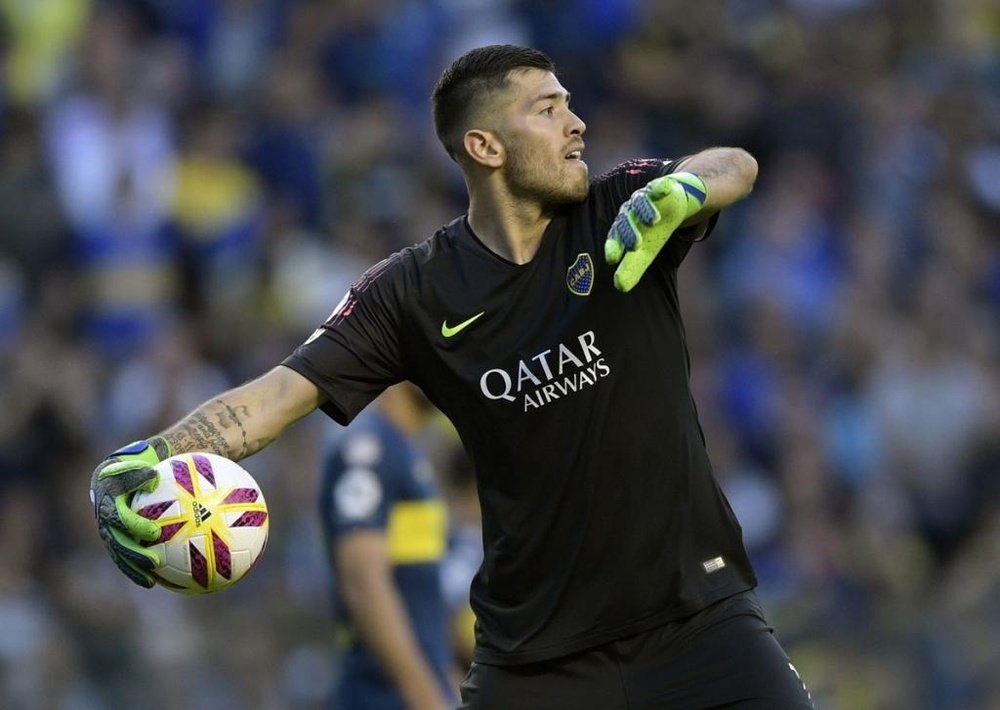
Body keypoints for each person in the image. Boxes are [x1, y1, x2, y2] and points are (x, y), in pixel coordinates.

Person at [91, 45, 813, 708]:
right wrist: (157, 455)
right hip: (539, 659)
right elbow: (279, 396)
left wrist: (685, 190)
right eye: (549, 108)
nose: (578, 124)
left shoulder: (621, 209)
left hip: (702, 619)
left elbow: (734, 164)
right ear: (484, 146)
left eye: (570, 104)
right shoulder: (412, 293)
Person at [319, 381, 456, 709]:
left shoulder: (403, 447)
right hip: (380, 696)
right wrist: (426, 699)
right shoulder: (367, 447)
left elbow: (420, 600)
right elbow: (363, 581)